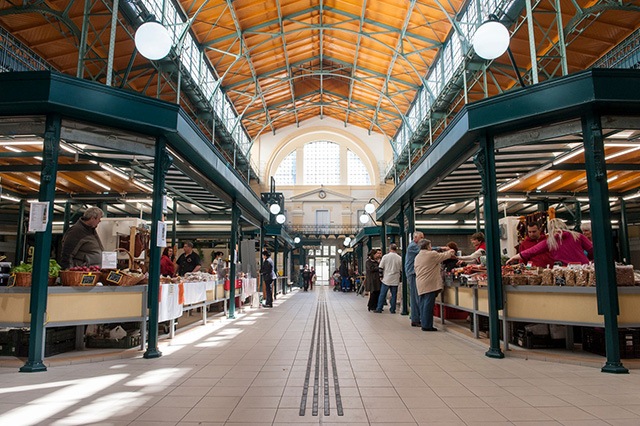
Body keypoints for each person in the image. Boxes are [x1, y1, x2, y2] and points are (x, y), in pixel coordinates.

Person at [508, 218, 593, 266]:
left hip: (565, 269)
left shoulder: (551, 240)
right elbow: (592, 249)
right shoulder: (578, 236)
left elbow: (533, 250)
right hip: (583, 267)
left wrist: (515, 257)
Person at [414, 239, 455, 331]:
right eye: (430, 245)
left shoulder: (418, 256)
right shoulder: (431, 254)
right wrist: (450, 251)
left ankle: (424, 323)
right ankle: (427, 326)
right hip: (429, 283)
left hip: (420, 282)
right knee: (428, 305)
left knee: (423, 304)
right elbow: (444, 256)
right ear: (428, 246)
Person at [375, 243, 402, 314]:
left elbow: (380, 268)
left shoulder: (385, 257)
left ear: (390, 249)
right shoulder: (399, 258)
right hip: (395, 279)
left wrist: (381, 276)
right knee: (394, 295)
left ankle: (379, 308)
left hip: (386, 279)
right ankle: (392, 309)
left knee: (382, 294)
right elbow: (401, 270)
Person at [405, 231, 424, 327]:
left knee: (415, 296)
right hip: (412, 273)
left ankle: (415, 317)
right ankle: (415, 319)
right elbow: (424, 251)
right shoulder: (413, 246)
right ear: (416, 238)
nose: (423, 239)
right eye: (421, 237)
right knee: (415, 296)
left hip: (412, 272)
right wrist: (440, 249)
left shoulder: (413, 245)